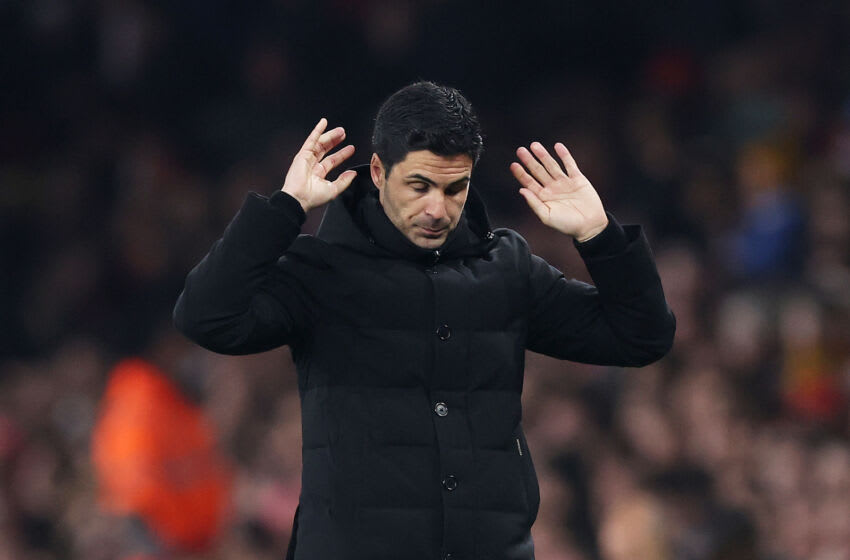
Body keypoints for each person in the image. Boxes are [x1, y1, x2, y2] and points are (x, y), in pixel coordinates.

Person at [174, 81, 676, 560]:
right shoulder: (322, 272)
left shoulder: (506, 270)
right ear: (377, 172)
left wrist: (599, 236)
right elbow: (206, 317)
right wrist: (284, 209)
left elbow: (641, 337)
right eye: (419, 185)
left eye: (455, 188)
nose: (438, 208)